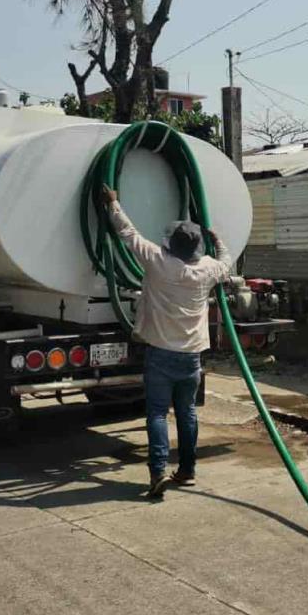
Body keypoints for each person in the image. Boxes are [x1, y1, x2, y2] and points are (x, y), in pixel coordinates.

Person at [103, 186, 232, 498]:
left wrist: (113, 203)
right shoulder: (208, 269)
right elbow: (227, 260)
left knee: (157, 413)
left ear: (170, 244)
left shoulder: (158, 261)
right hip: (191, 358)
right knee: (186, 413)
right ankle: (187, 470)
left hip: (161, 353)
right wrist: (217, 240)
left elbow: (128, 233)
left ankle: (158, 472)